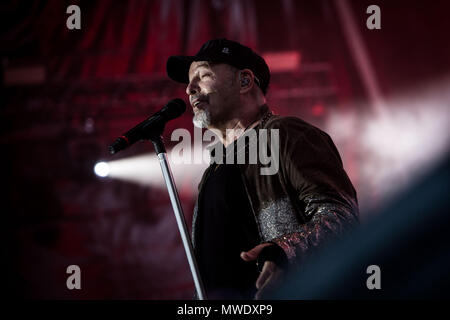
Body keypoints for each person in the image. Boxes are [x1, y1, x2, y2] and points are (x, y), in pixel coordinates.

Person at [166, 38, 359, 299]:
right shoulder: (212, 171)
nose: (189, 88)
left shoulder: (288, 133)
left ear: (245, 81)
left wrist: (285, 252)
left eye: (203, 75)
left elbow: (342, 217)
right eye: (190, 81)